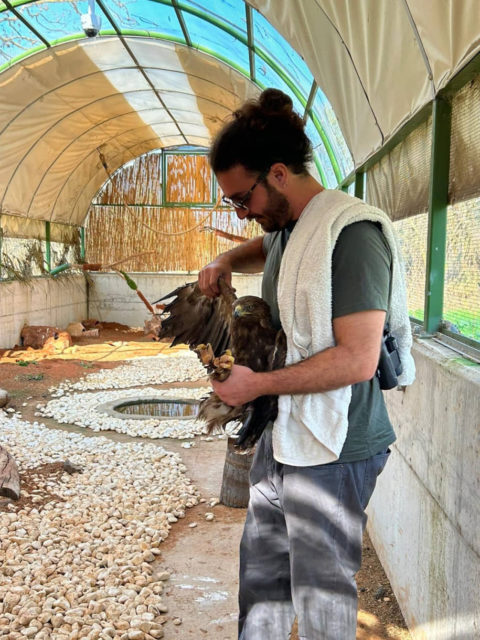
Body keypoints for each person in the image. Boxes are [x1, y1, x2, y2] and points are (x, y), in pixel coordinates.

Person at [199, 88, 415, 640]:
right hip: (286, 431)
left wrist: (256, 385)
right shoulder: (290, 227)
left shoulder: (350, 235)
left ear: (276, 173)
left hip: (336, 446)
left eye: (240, 198)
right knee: (263, 575)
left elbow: (358, 359)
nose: (240, 212)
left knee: (322, 596)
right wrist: (225, 256)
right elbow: (264, 247)